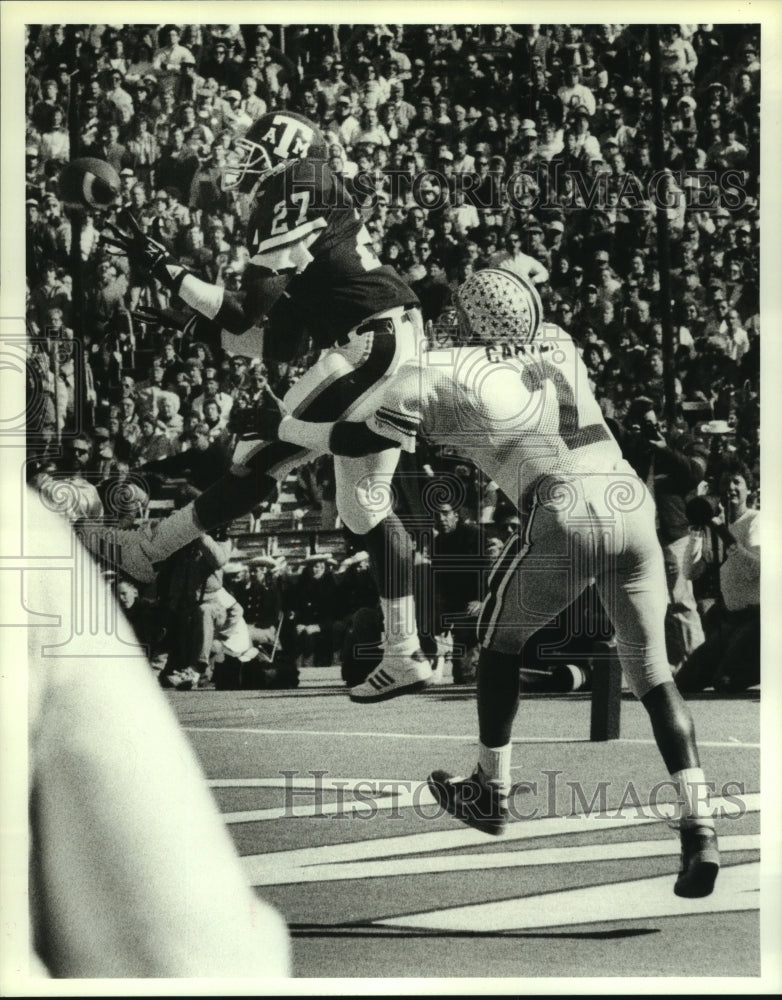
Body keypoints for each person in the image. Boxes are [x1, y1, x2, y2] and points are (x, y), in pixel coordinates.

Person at [260, 267, 720, 898]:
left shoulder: (441, 372)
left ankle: (490, 787)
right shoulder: (559, 341)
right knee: (654, 674)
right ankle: (699, 825)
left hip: (564, 505)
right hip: (630, 502)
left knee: (494, 640)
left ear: (471, 324)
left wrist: (284, 425)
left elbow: (360, 434)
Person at [85, 110, 431, 701]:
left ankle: (147, 552)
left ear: (284, 150)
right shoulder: (311, 212)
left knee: (255, 455)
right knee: (366, 510)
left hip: (372, 344)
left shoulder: (296, 186)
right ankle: (405, 654)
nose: (243, 159)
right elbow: (279, 342)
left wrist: (167, 268)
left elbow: (245, 311)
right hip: (385, 341)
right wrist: (187, 320)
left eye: (254, 147)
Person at [25, 492, 290, 977]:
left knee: (209, 624)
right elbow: (180, 955)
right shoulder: (47, 535)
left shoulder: (202, 546)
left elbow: (208, 557)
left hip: (207, 607)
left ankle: (220, 661)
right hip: (170, 604)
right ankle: (195, 662)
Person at [675, 462, 760, 693]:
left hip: (760, 618)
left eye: (737, 482)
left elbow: (756, 571)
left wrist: (723, 531)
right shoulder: (716, 526)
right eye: (725, 483)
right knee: (684, 682)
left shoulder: (755, 521)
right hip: (731, 621)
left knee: (725, 682)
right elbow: (691, 572)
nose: (730, 488)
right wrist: (696, 532)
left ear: (749, 490)